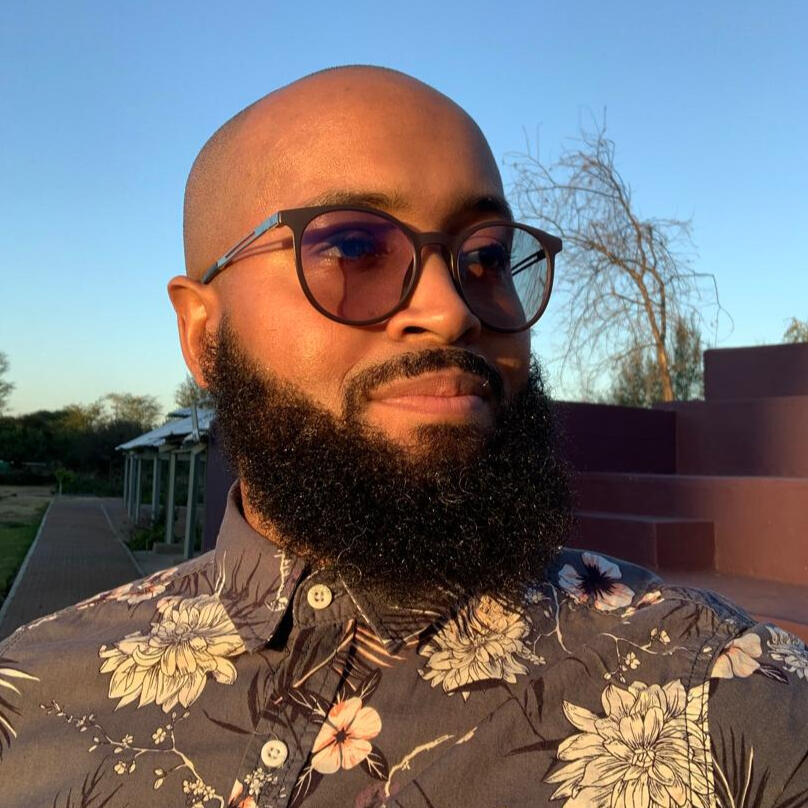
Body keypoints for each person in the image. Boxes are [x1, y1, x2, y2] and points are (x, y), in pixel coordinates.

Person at [1, 66, 806, 808]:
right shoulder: (27, 701)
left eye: (485, 257)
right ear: (203, 334)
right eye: (354, 248)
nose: (451, 310)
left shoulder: (726, 694)